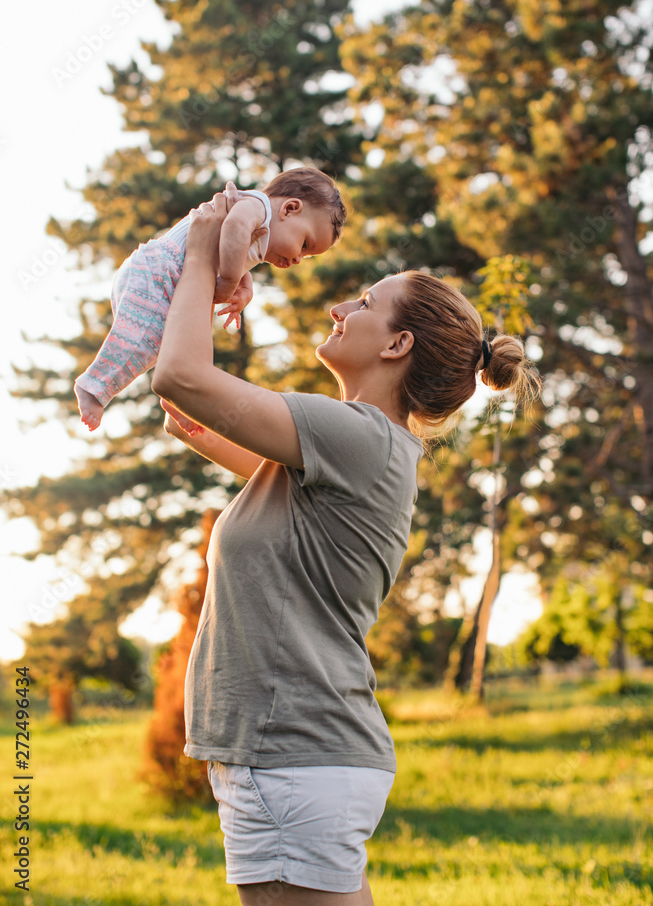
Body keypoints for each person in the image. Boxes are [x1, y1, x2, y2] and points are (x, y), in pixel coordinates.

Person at [152, 193, 541, 905]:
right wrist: (204, 419)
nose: (338, 308)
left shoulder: (355, 434)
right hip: (299, 755)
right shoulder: (360, 447)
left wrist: (206, 251)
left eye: (364, 303)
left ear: (396, 346)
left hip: (291, 753)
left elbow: (180, 376)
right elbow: (224, 433)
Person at [74, 167, 345, 432]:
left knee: (173, 348)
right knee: (140, 341)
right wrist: (227, 282)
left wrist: (244, 290)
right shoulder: (256, 207)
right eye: (305, 245)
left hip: (171, 282)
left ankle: (179, 401)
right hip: (160, 274)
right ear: (289, 209)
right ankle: (93, 387)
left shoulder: (258, 231)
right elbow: (234, 229)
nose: (298, 259)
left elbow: (236, 253)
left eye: (307, 257)